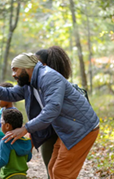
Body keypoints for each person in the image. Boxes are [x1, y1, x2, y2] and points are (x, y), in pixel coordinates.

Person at [0, 53, 99, 179]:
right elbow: (9, 94)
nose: (14, 75)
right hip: (68, 128)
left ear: (27, 67)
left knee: (61, 173)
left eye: (15, 70)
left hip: (82, 128)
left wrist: (26, 128)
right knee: (53, 168)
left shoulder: (49, 77)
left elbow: (52, 109)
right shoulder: (29, 82)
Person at [33, 46, 72, 177]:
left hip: (54, 132)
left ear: (43, 65)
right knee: (55, 170)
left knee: (54, 171)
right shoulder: (57, 82)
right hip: (59, 131)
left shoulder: (49, 83)